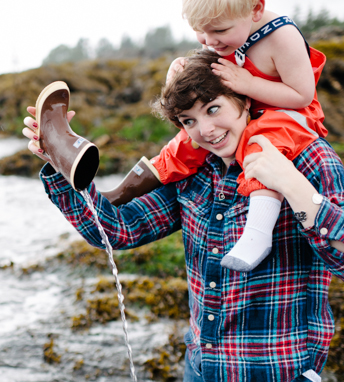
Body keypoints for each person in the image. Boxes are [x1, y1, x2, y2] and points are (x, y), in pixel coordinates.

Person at [23, 50, 344, 382]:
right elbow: (116, 229)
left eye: (213, 109)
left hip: (269, 376)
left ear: (244, 98)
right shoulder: (196, 166)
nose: (204, 130)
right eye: (189, 120)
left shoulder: (309, 157)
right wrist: (59, 163)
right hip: (202, 363)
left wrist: (291, 185)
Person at [138, 0, 328, 273]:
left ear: (255, 10)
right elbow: (211, 75)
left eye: (219, 31)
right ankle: (124, 192)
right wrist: (179, 74)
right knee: (185, 142)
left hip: (288, 114)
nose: (209, 41)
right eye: (200, 32)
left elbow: (302, 95)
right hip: (242, 108)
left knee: (259, 145)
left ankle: (257, 234)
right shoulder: (219, 32)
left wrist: (248, 84)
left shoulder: (281, 37)